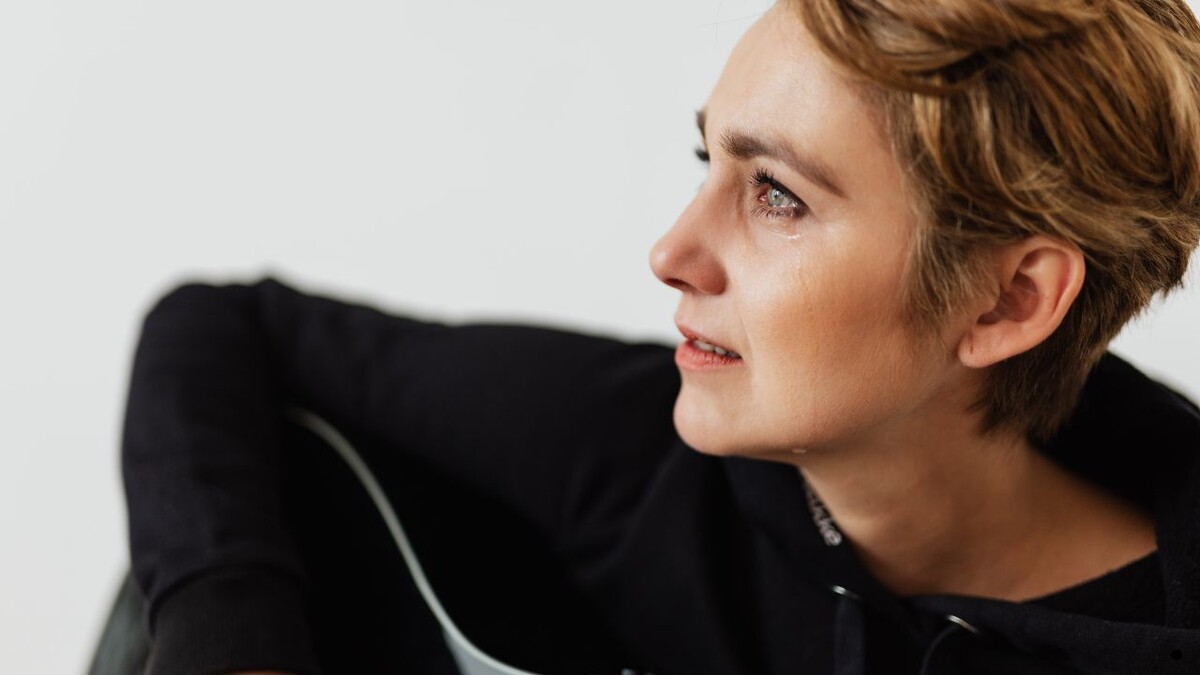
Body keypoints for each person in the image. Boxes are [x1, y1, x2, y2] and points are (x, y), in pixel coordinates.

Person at [120, 1, 1200, 673]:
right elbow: (220, 329)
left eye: (776, 195)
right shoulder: (640, 461)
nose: (672, 251)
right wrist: (231, 637)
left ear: (1009, 302)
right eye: (707, 162)